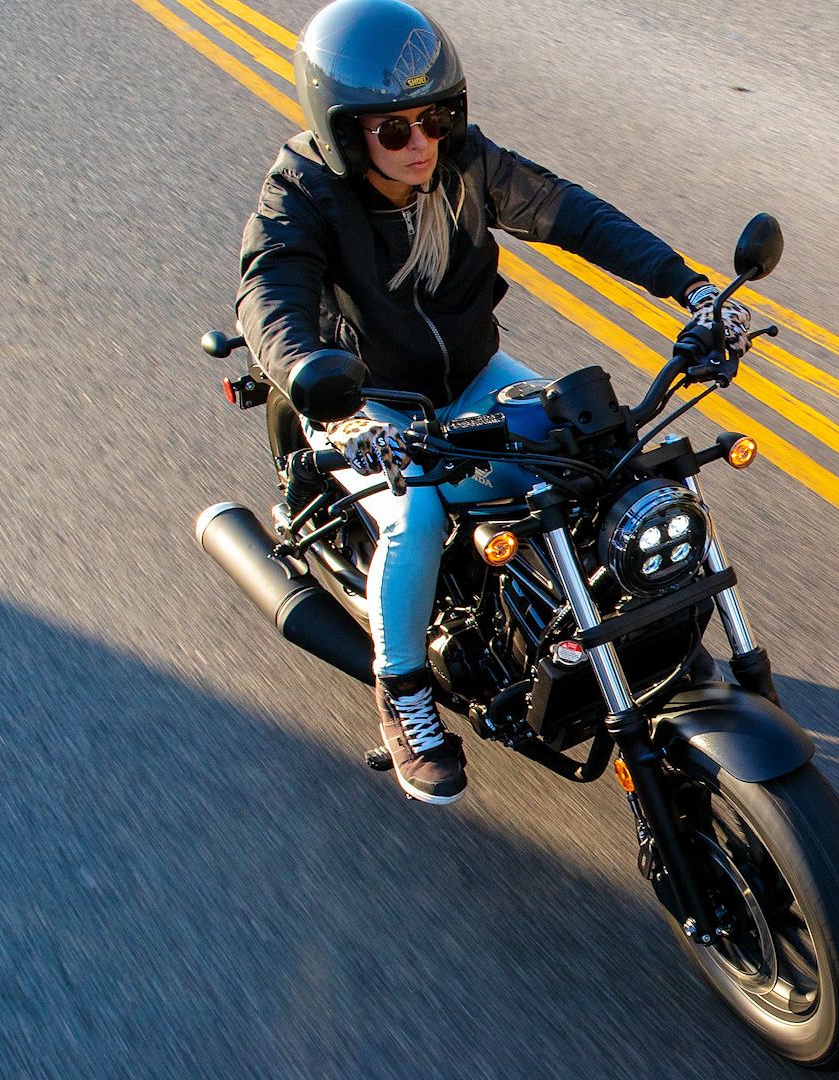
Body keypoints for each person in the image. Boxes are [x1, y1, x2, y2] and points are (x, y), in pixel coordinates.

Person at [237, 0, 750, 805]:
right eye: (395, 129)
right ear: (341, 131)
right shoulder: (302, 191)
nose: (423, 142)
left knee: (591, 454)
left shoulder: (465, 162)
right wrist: (312, 378)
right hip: (364, 397)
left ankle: (618, 626)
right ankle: (402, 696)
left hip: (474, 372)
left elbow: (571, 213)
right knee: (417, 518)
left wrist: (687, 287)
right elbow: (271, 289)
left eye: (437, 117)